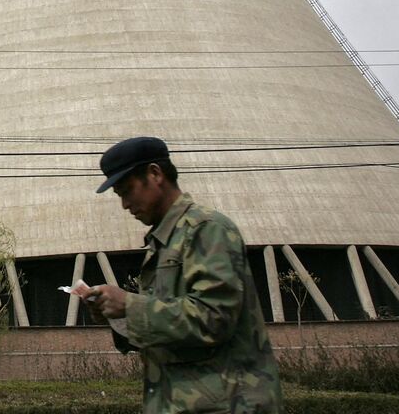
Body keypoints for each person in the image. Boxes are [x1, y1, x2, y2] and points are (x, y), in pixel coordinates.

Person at [79, 136, 282, 414]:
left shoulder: (206, 229)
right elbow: (172, 329)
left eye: (127, 191)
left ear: (155, 173)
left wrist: (130, 305)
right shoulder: (163, 242)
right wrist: (118, 317)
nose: (125, 204)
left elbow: (214, 318)